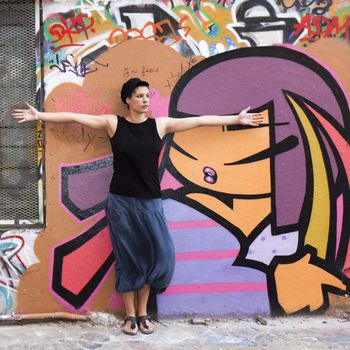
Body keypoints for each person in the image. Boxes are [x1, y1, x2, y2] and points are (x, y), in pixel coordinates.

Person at [12, 77, 263, 335]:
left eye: (147, 96)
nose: (145, 100)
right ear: (128, 100)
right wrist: (38, 115)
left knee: (158, 257)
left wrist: (235, 119)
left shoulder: (160, 125)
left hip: (151, 203)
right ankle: (132, 316)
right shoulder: (113, 123)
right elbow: (76, 117)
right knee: (128, 260)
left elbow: (199, 120)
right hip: (121, 203)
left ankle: (144, 311)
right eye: (140, 96)